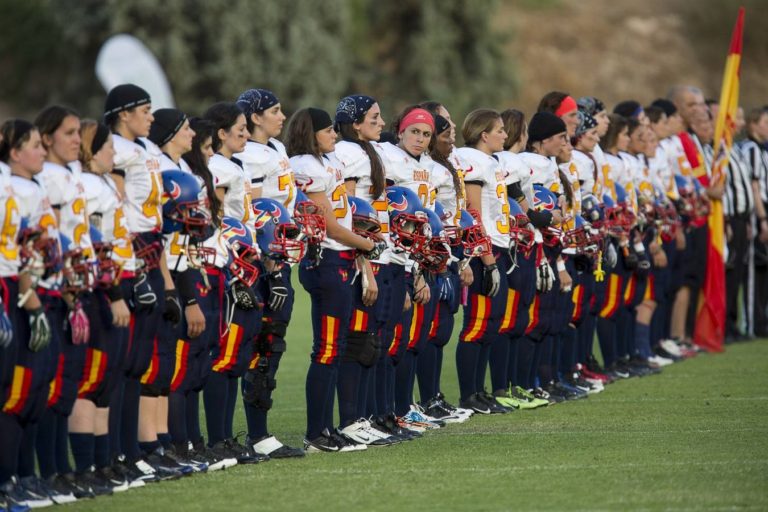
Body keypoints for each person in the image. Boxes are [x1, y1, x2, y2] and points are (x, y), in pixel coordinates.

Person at [285, 107, 382, 452]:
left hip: (341, 258)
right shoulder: (305, 166)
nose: (335, 135)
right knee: (326, 349)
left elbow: (344, 216)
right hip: (325, 260)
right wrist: (369, 244)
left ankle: (326, 428)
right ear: (312, 135)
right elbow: (330, 225)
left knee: (337, 348)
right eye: (328, 131)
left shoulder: (328, 162)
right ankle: (316, 433)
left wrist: (361, 249)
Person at [234, 89, 307, 458]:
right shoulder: (247, 154)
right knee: (259, 347)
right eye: (275, 111)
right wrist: (272, 267)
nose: (283, 116)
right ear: (255, 117)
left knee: (270, 347)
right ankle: (256, 436)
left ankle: (259, 434)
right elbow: (258, 214)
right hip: (263, 265)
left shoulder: (276, 149)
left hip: (281, 259)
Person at [201, 102, 263, 463]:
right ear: (220, 133)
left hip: (245, 263)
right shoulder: (219, 168)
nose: (245, 134)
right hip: (231, 267)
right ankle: (218, 438)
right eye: (239, 129)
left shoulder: (235, 164)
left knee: (237, 357)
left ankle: (224, 438)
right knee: (225, 357)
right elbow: (219, 220)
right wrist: (234, 266)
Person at [1, 119, 55, 507]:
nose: (42, 151)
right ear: (14, 151)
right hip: (13, 290)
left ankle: (16, 476)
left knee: (26, 388)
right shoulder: (11, 186)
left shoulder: (26, 186)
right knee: (12, 388)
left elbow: (34, 247)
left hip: (25, 289)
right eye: (34, 144)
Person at [453, 109, 509, 413]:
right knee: (476, 325)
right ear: (483, 134)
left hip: (496, 248)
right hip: (480, 252)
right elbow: (473, 211)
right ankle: (468, 394)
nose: (505, 135)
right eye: (499, 130)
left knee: (491, 325)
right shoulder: (473, 160)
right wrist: (487, 258)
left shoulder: (492, 162)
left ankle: (480, 390)